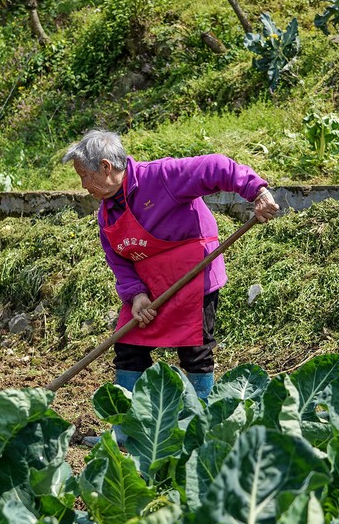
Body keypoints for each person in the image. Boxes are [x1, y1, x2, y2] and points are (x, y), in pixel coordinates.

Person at [63, 129, 279, 425]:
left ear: (105, 166)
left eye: (84, 175)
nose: (83, 185)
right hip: (149, 283)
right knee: (128, 346)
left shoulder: (161, 177)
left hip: (192, 275)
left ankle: (199, 426)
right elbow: (118, 260)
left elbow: (216, 166)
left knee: (195, 351)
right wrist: (136, 295)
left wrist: (258, 191)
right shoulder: (107, 213)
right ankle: (129, 429)